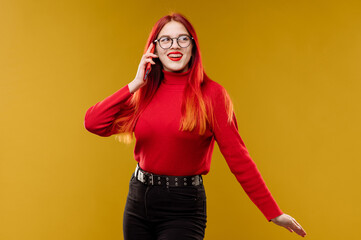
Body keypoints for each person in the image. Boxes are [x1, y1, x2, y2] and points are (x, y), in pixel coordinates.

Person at [84, 12, 307, 240]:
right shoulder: (145, 93)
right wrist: (134, 84)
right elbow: (93, 122)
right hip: (138, 200)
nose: (175, 46)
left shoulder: (212, 95)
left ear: (193, 47)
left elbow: (238, 158)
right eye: (165, 40)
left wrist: (273, 213)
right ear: (154, 50)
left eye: (182, 39)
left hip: (183, 206)